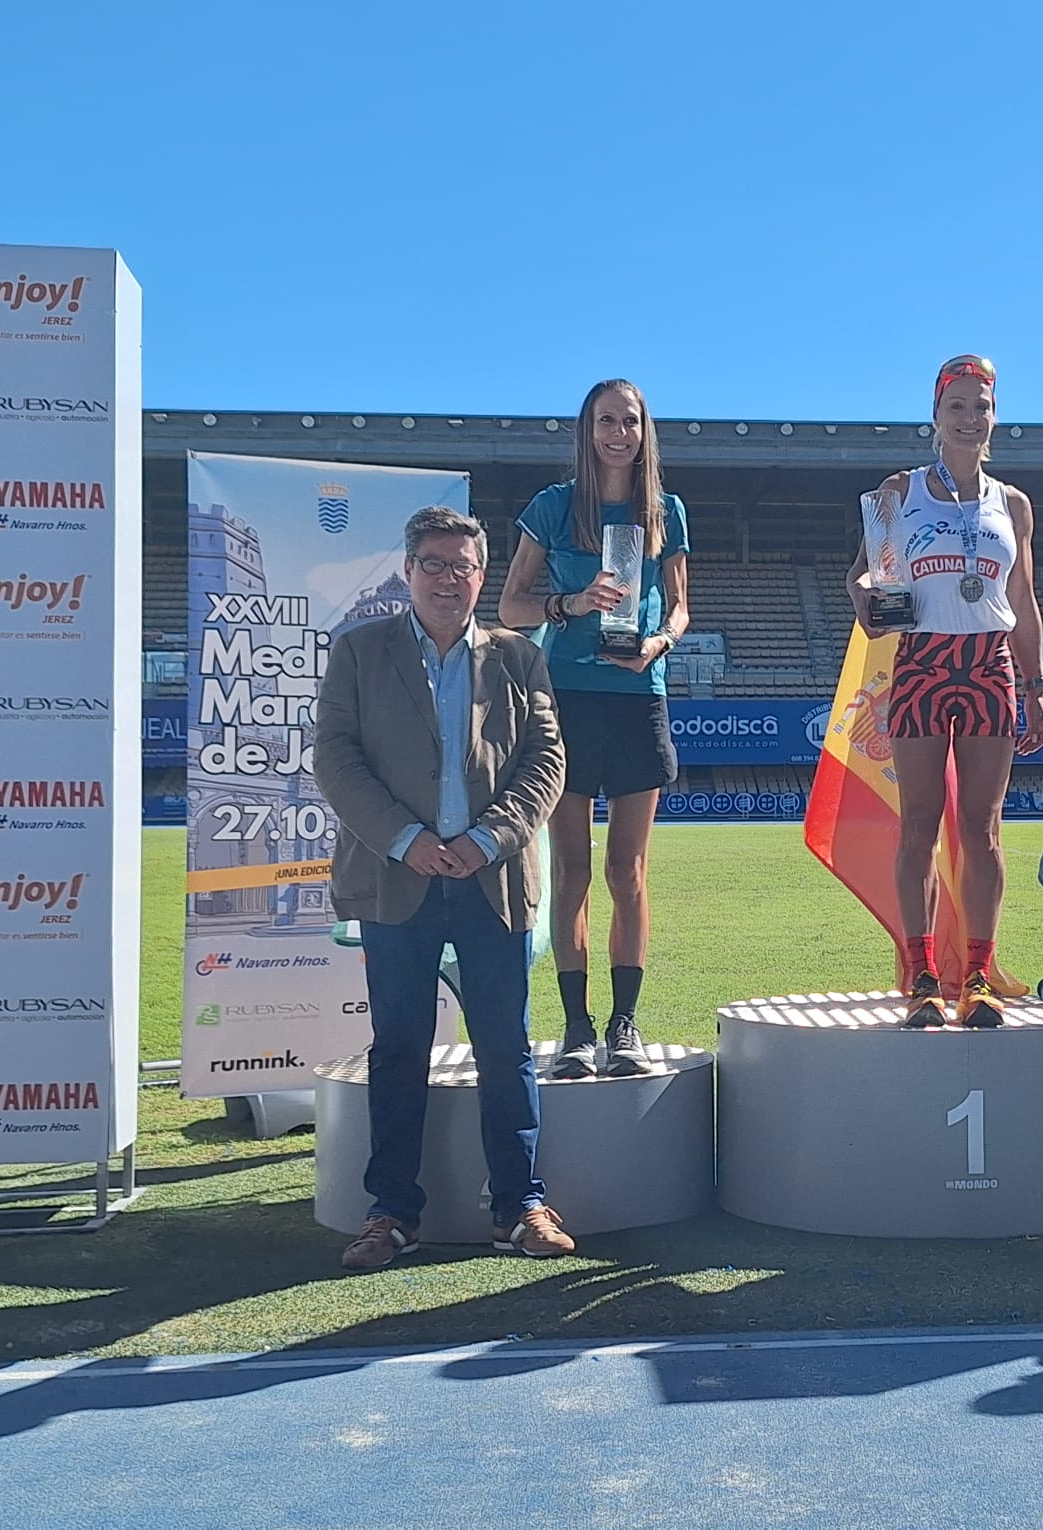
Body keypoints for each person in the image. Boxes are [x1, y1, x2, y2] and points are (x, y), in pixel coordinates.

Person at [315, 506, 573, 1270]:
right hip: (396, 881)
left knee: (506, 1049)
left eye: (462, 565)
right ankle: (391, 1212)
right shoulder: (360, 652)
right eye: (433, 562)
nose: (447, 578)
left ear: (481, 575)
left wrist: (488, 839)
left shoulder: (518, 656)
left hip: (492, 882)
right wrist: (408, 840)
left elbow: (545, 761)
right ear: (408, 570)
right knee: (397, 1048)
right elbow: (336, 758)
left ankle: (520, 1207)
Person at [846, 354, 1043, 1028]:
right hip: (922, 660)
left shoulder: (1013, 504)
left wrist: (1038, 684)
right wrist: (867, 603)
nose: (970, 419)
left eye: (981, 407)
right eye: (957, 406)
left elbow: (1022, 598)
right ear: (936, 416)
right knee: (918, 826)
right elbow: (863, 576)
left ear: (995, 418)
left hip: (989, 663)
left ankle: (979, 977)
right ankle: (923, 973)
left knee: (984, 831)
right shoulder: (900, 491)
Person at [499, 379, 690, 1080]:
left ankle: (624, 1025)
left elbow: (678, 609)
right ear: (588, 430)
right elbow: (512, 606)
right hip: (567, 700)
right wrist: (570, 602)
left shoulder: (665, 510)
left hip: (639, 697)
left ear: (645, 431)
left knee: (627, 871)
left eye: (630, 421)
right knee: (573, 871)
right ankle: (578, 1028)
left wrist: (657, 646)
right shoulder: (552, 509)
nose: (619, 433)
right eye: (607, 421)